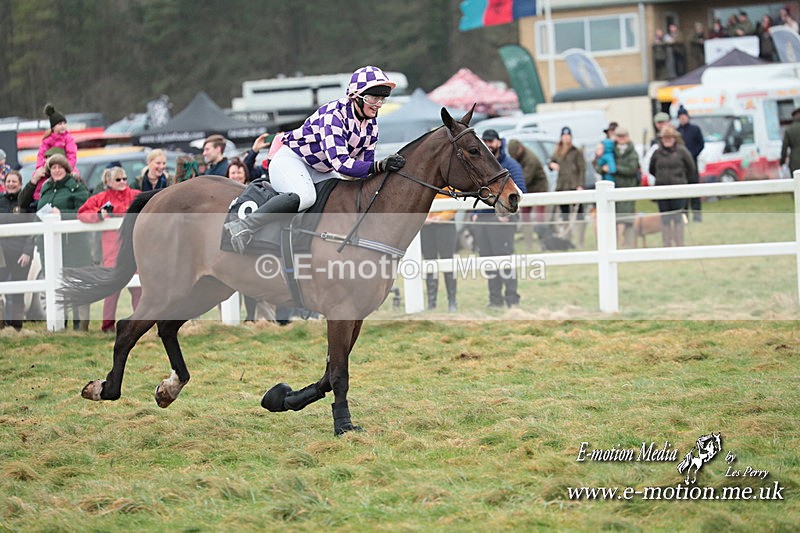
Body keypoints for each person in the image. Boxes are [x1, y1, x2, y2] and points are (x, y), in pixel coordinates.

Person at [225, 66, 405, 254]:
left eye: (381, 99)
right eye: (373, 98)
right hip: (291, 159)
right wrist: (380, 166)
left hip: (320, 168)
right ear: (355, 96)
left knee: (342, 196)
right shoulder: (334, 115)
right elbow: (342, 164)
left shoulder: (371, 125)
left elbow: (365, 168)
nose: (378, 104)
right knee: (306, 196)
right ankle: (244, 225)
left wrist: (381, 172)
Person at [22, 154, 92, 329]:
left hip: (73, 245)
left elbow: (85, 210)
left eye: (60, 167)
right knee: (57, 284)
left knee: (76, 285)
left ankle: (80, 325)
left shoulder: (76, 186)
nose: (57, 170)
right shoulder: (46, 188)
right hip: (49, 245)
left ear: (66, 169)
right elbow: (30, 206)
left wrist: (62, 214)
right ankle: (60, 323)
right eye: (53, 167)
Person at [77, 167, 142, 333]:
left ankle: (140, 324)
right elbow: (82, 213)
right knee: (112, 291)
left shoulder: (135, 195)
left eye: (125, 179)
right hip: (112, 251)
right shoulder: (101, 198)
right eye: (118, 179)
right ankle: (107, 326)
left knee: (138, 289)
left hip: (134, 249)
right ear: (108, 181)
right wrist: (99, 215)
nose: (123, 182)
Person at [471, 129, 526, 308]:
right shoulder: (480, 166)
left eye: (491, 141)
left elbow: (520, 191)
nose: (489, 144)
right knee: (488, 261)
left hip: (502, 220)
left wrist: (507, 215)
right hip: (483, 220)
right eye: (485, 141)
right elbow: (476, 191)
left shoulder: (510, 165)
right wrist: (474, 214)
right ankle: (495, 299)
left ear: (499, 142)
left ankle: (512, 298)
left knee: (505, 260)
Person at [648, 126, 695, 247]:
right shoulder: (657, 153)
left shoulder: (682, 151)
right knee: (665, 219)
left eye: (670, 137)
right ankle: (667, 245)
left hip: (678, 190)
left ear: (674, 138)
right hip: (662, 190)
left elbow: (691, 168)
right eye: (665, 137)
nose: (667, 140)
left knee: (678, 217)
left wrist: (680, 179)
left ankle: (680, 244)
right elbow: (651, 169)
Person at [0, 170, 34, 330]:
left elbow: (33, 229)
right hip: (2, 254)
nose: (11, 184)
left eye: (14, 181)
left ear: (20, 184)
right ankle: (1, 325)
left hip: (21, 254)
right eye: (8, 181)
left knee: (18, 291)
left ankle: (16, 327)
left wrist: (27, 252)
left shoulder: (26, 203)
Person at [548, 126, 586, 247]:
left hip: (574, 185)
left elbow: (582, 169)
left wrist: (580, 184)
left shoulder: (576, 151)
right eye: (564, 136)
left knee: (578, 214)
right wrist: (551, 164)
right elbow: (550, 162)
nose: (566, 138)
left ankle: (580, 241)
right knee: (564, 214)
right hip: (562, 186)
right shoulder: (558, 150)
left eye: (567, 136)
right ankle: (567, 239)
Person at [507, 138, 548, 248]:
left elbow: (524, 179)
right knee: (525, 217)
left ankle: (544, 242)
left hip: (539, 190)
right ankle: (528, 243)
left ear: (520, 149)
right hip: (527, 191)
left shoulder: (530, 160)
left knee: (540, 218)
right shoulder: (518, 158)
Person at [421, 194, 458, 312]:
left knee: (448, 262)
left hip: (445, 225)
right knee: (429, 263)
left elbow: (455, 200)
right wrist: (424, 217)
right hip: (426, 226)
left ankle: (452, 301)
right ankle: (431, 302)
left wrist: (442, 217)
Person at [611, 128, 641, 248]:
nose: (621, 139)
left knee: (628, 220)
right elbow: (599, 164)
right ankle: (613, 247)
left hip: (628, 188)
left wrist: (615, 169)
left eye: (623, 136)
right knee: (612, 220)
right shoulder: (611, 151)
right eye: (619, 136)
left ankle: (630, 246)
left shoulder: (632, 152)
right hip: (613, 189)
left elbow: (632, 169)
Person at [676, 105, 705, 222]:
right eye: (680, 117)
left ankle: (697, 216)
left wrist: (692, 155)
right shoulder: (677, 132)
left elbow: (701, 144)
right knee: (683, 193)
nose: (682, 118)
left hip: (693, 164)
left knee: (695, 191)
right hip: (680, 167)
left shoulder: (695, 129)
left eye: (684, 116)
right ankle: (684, 217)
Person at [36, 103, 77, 174]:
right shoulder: (47, 140)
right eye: (60, 124)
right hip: (49, 169)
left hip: (66, 168)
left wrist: (68, 168)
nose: (63, 126)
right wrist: (40, 168)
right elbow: (41, 155)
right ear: (53, 127)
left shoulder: (68, 139)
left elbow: (71, 155)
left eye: (64, 123)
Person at [781, 107, 800, 176]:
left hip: (795, 162)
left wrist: (782, 161)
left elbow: (784, 147)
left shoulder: (789, 130)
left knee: (797, 181)